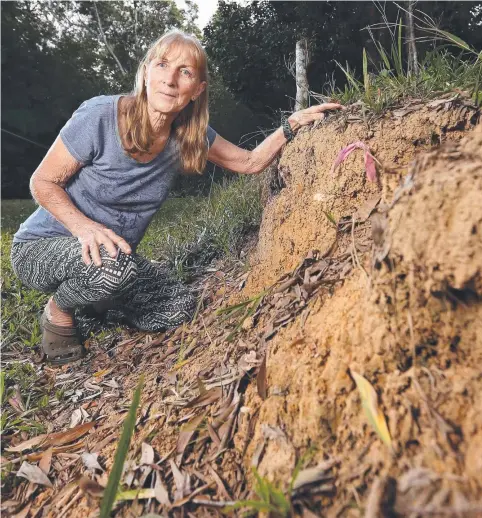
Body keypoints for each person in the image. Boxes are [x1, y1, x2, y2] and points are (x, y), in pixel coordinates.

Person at [10, 29, 342, 365]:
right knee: (113, 270)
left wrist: (291, 125)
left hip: (111, 256)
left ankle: (98, 300)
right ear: (145, 73)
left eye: (184, 72)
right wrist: (83, 227)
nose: (170, 80)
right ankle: (59, 310)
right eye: (162, 65)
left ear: (197, 90)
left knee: (178, 306)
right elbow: (43, 182)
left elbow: (249, 162)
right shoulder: (100, 116)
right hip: (42, 247)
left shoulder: (188, 136)